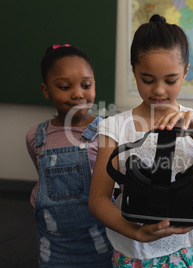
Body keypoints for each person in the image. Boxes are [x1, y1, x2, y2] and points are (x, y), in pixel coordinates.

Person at [88, 14, 193, 267]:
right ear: (133, 70)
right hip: (134, 247)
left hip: (186, 247)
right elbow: (98, 200)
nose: (158, 90)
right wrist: (137, 232)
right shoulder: (115, 127)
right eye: (147, 80)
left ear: (186, 72)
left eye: (171, 80)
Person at [26, 44, 113, 267]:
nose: (77, 94)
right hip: (54, 247)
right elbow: (44, 181)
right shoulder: (35, 136)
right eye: (65, 86)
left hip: (102, 241)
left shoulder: (108, 132)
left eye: (86, 85)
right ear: (46, 90)